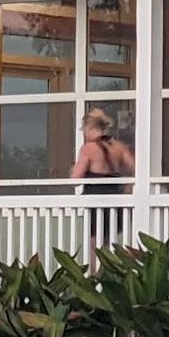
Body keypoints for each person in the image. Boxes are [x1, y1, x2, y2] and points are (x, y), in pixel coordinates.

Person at [68, 108, 134, 257]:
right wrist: (128, 185)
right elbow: (136, 167)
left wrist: (72, 170)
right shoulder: (119, 146)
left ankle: (94, 277)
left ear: (89, 127)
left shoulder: (88, 148)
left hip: (96, 199)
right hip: (116, 200)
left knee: (95, 246)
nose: (83, 133)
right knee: (109, 242)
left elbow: (75, 178)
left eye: (83, 129)